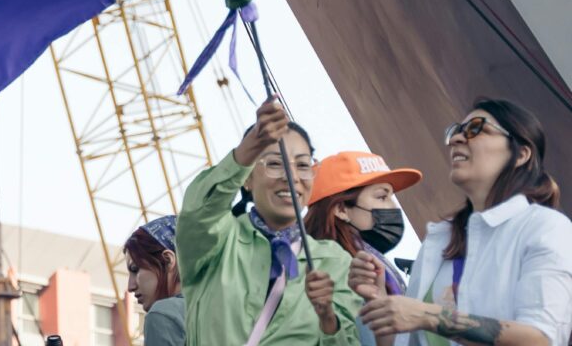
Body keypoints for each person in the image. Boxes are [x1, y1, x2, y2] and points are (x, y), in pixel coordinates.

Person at [349, 98, 572, 345]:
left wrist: (428, 315)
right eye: (456, 131)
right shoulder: (441, 238)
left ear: (521, 154)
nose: (456, 139)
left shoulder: (545, 227)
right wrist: (380, 301)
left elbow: (540, 339)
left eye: (476, 128)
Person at [177, 100, 362, 345]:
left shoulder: (334, 261)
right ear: (247, 178)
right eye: (275, 163)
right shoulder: (218, 241)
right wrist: (248, 148)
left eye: (303, 165)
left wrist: (328, 318)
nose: (292, 176)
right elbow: (198, 210)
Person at [305, 151, 422, 345]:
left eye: (392, 197)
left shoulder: (367, 263)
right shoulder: (337, 270)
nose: (393, 207)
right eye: (382, 197)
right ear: (341, 210)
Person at [123, 215, 184, 345]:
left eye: (135, 269)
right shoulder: (222, 307)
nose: (130, 286)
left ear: (168, 260)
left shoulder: (164, 314)